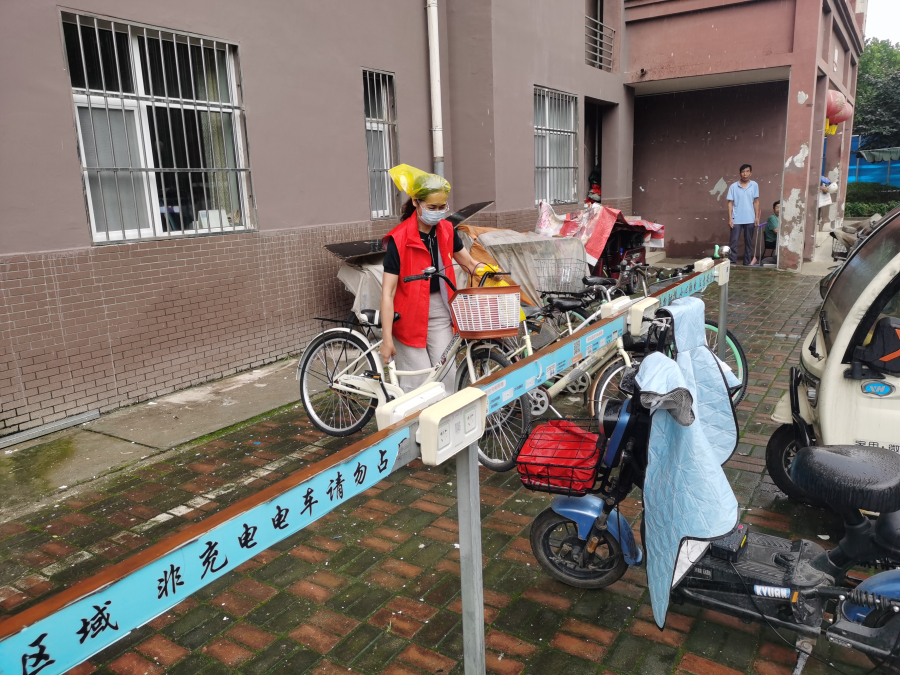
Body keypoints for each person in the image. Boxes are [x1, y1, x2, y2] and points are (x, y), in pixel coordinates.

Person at [380, 164, 486, 393]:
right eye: (431, 207)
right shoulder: (399, 239)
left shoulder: (446, 230)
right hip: (407, 316)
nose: (437, 212)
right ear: (416, 203)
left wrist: (490, 271)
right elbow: (387, 293)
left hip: (440, 310)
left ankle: (446, 416)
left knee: (447, 374)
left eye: (441, 207)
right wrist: (387, 339)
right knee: (418, 383)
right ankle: (416, 417)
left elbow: (468, 263)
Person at [726, 164, 761, 265]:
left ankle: (747, 263)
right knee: (733, 242)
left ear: (751, 173)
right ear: (739, 174)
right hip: (736, 219)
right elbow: (730, 203)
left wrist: (756, 217)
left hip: (750, 218)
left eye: (747, 171)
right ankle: (732, 262)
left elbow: (756, 201)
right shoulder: (733, 186)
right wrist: (730, 218)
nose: (745, 174)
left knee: (749, 243)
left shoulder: (754, 185)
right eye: (743, 172)